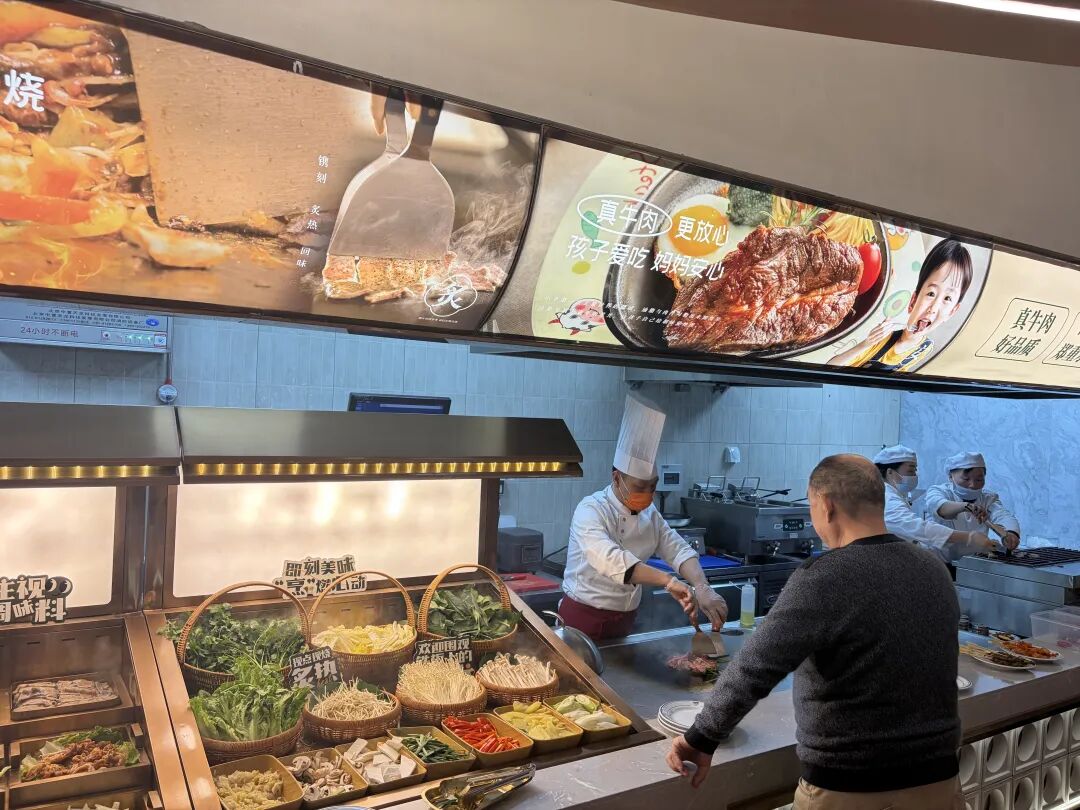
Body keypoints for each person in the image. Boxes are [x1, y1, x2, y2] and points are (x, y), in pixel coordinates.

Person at [667, 454, 962, 810]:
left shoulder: (826, 575)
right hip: (940, 784)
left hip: (850, 788)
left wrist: (701, 737)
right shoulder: (933, 568)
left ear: (826, 505)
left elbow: (755, 667)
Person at [559, 394, 728, 640]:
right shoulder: (591, 510)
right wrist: (668, 581)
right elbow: (612, 561)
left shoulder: (650, 514)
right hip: (583, 618)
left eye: (653, 486)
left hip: (625, 619)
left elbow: (678, 550)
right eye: (640, 487)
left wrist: (702, 587)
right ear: (616, 478)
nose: (648, 494)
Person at [828, 238, 974, 372]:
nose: (933, 309)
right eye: (931, 294)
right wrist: (866, 344)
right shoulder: (881, 337)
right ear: (913, 301)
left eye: (947, 298)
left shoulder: (924, 347)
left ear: (952, 311)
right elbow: (830, 367)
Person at [873, 445, 994, 567]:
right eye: (910, 471)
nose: (915, 476)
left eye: (915, 471)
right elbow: (916, 527)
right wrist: (968, 537)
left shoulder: (894, 494)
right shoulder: (886, 496)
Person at [926, 452, 1020, 552]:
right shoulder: (939, 491)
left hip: (974, 556)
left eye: (979, 480)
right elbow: (941, 508)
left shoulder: (988, 498)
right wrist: (966, 506)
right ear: (950, 476)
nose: (972, 485)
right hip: (939, 556)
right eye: (966, 479)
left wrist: (1012, 533)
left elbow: (1002, 515)